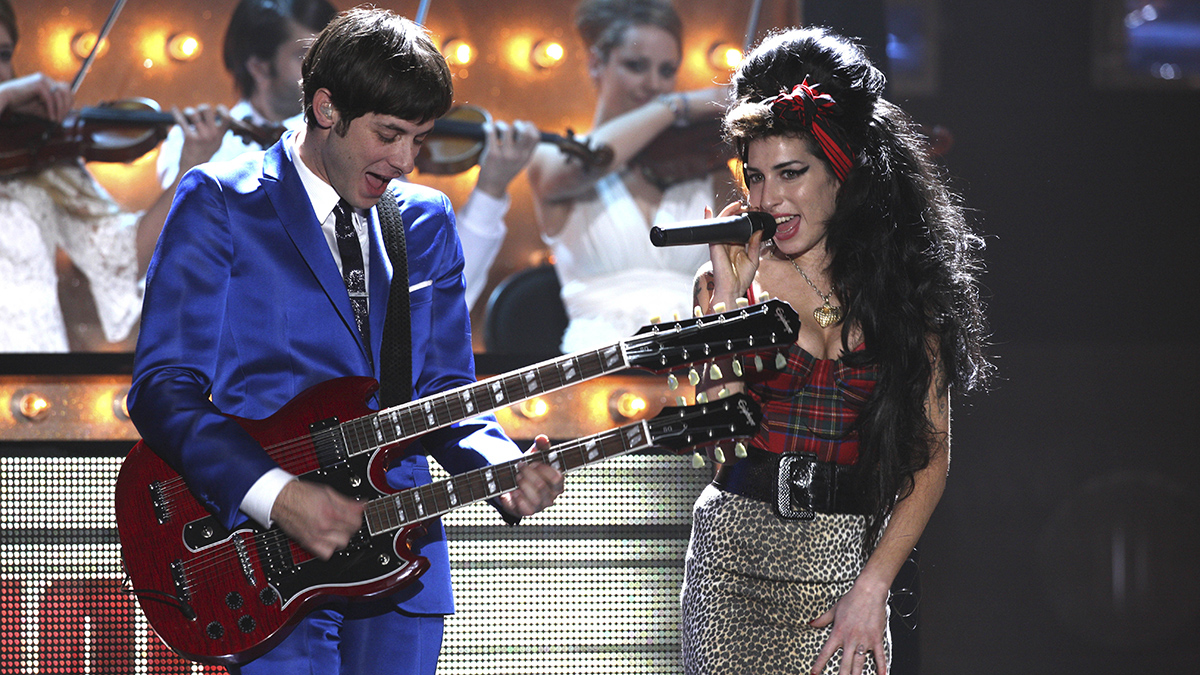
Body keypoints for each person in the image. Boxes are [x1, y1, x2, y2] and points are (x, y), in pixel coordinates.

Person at [126, 8, 563, 673]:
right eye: (389, 134)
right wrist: (276, 493)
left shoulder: (426, 219)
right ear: (326, 108)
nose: (406, 160)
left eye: (419, 138)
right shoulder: (221, 201)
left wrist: (499, 464)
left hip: (404, 554)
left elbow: (446, 390)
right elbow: (163, 390)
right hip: (270, 562)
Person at [682, 27, 992, 675]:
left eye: (791, 173)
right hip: (731, 568)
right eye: (755, 176)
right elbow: (717, 451)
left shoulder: (907, 289)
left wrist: (873, 586)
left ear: (841, 170)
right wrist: (731, 303)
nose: (767, 199)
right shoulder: (730, 283)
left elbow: (930, 459)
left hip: (845, 571)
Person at [157, 0, 538, 309]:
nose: (404, 160)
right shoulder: (202, 161)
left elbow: (432, 302)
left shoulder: (368, 153)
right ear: (259, 65)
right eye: (305, 55)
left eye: (417, 139)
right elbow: (169, 281)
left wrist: (490, 190)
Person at [0, 0, 222, 352]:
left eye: (2, 55)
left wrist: (189, 167)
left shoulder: (38, 153)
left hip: (33, 362)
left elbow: (123, 259)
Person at [526, 0, 730, 352]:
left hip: (695, 361)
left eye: (667, 71)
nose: (654, 84)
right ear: (596, 63)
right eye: (636, 66)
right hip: (596, 364)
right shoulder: (552, 158)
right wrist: (673, 106)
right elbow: (593, 159)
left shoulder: (704, 164)